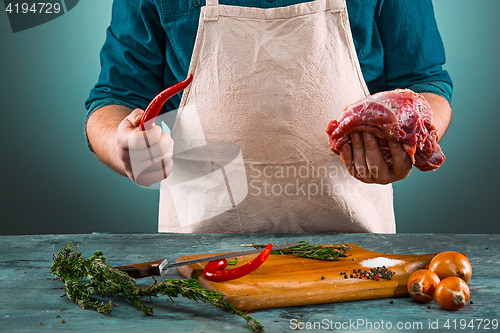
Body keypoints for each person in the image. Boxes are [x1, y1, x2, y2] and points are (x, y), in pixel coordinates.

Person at [85, 0, 452, 233]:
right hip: (198, 258)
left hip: (356, 251)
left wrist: (410, 141)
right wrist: (125, 148)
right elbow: (115, 98)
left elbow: (423, 82)